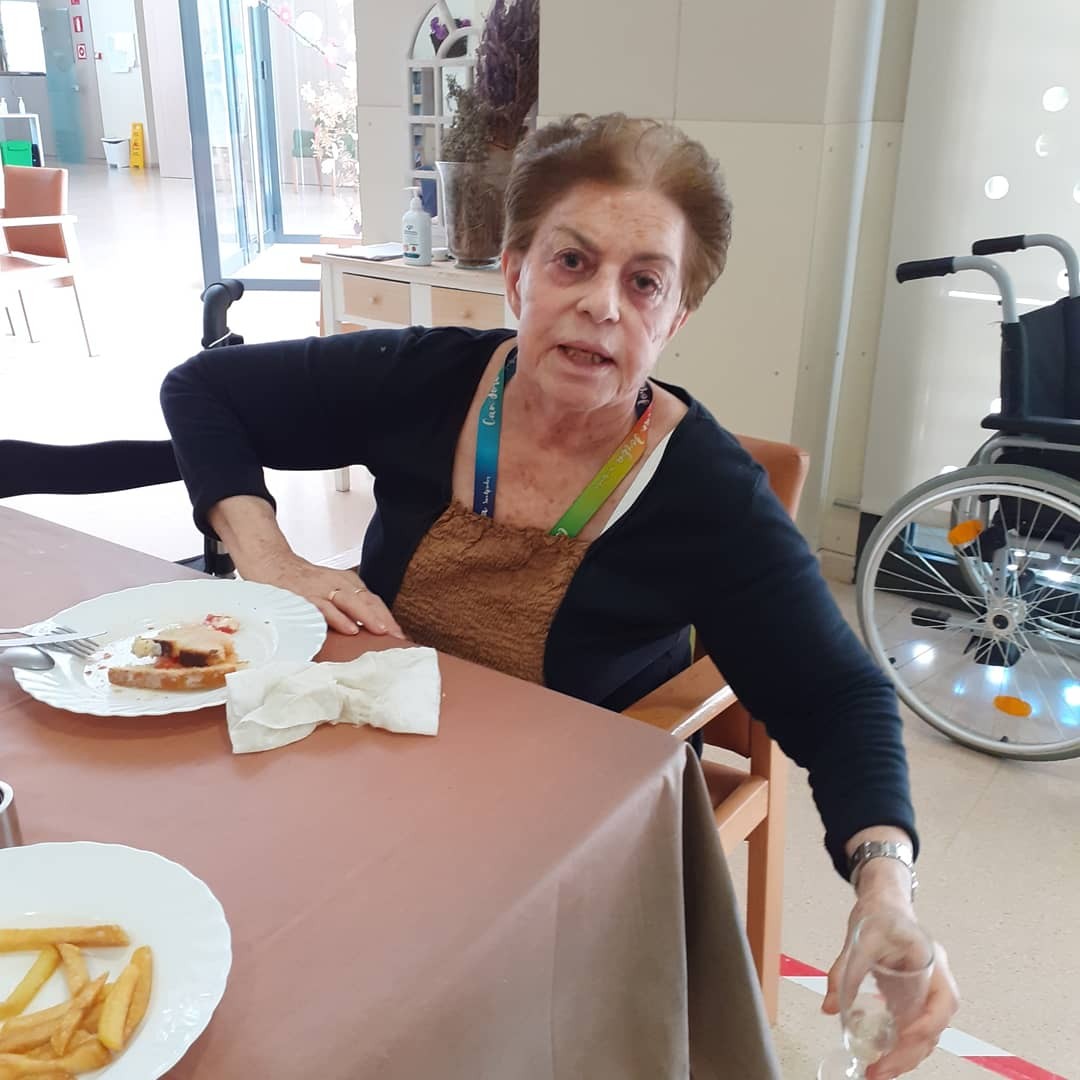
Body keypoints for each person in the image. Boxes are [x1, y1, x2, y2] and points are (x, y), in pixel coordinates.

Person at [162, 113, 958, 1075]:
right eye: (572, 261)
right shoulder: (423, 379)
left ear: (675, 319)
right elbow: (202, 390)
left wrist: (885, 889)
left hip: (570, 822)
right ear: (516, 275)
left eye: (645, 282)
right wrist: (268, 554)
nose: (601, 306)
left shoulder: (705, 493)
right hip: (378, 757)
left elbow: (838, 694)